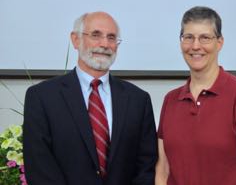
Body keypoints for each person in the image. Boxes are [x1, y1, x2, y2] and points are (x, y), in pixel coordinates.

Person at [23, 12, 158, 185]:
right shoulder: (42, 97)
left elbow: (146, 165)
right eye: (95, 35)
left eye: (111, 38)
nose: (104, 44)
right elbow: (39, 167)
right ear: (76, 40)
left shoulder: (138, 100)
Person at [155, 6, 236, 185]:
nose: (195, 46)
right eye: (188, 37)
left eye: (205, 38)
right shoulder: (170, 100)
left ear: (220, 42)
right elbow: (163, 171)